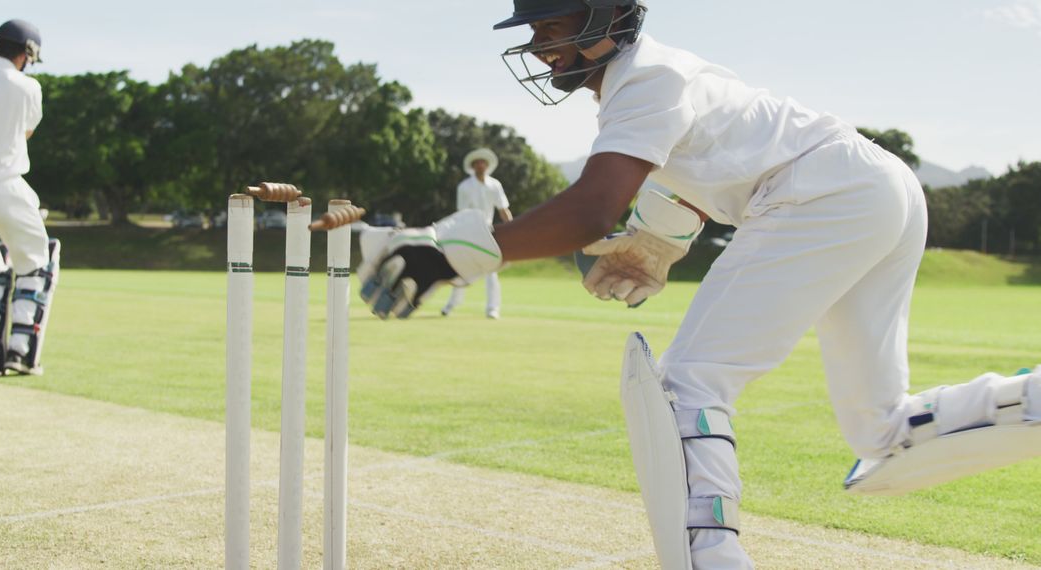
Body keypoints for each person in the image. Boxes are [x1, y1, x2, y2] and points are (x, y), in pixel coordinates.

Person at [357, 2, 1041, 567]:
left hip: (821, 194)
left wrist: (451, 257)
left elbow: (592, 208)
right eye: (534, 33)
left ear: (600, 16)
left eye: (550, 28)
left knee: (688, 382)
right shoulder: (658, 75)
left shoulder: (644, 79)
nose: (539, 47)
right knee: (881, 430)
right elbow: (696, 170)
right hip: (874, 187)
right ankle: (1030, 402)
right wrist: (658, 243)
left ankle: (711, 558)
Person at [0, 19, 60, 378]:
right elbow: (27, 132)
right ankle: (20, 351)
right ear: (27, 54)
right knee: (36, 263)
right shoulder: (29, 88)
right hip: (7, 189)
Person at [440, 148, 513, 319]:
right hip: (468, 232)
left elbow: (503, 210)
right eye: (477, 163)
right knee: (460, 269)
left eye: (483, 162)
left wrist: (512, 229)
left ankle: (492, 309)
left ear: (487, 165)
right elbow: (461, 214)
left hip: (488, 233)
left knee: (491, 271)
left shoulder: (495, 185)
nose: (480, 165)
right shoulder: (464, 187)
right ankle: (451, 305)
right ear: (473, 166)